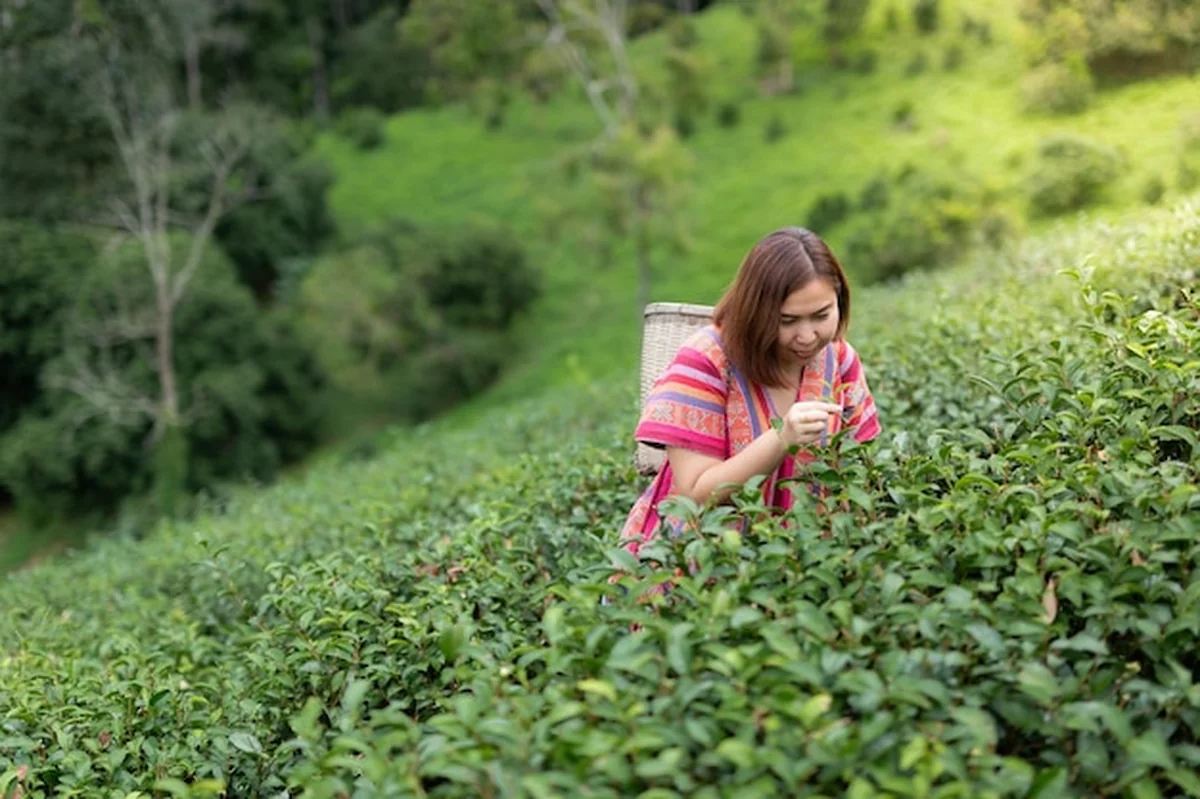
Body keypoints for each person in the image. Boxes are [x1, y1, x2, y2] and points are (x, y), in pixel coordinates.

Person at [619, 226, 881, 559]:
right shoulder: (707, 361)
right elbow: (696, 493)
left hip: (807, 561)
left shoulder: (839, 359)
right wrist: (781, 439)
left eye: (821, 315)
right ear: (755, 311)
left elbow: (863, 466)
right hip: (704, 567)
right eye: (787, 320)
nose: (807, 336)